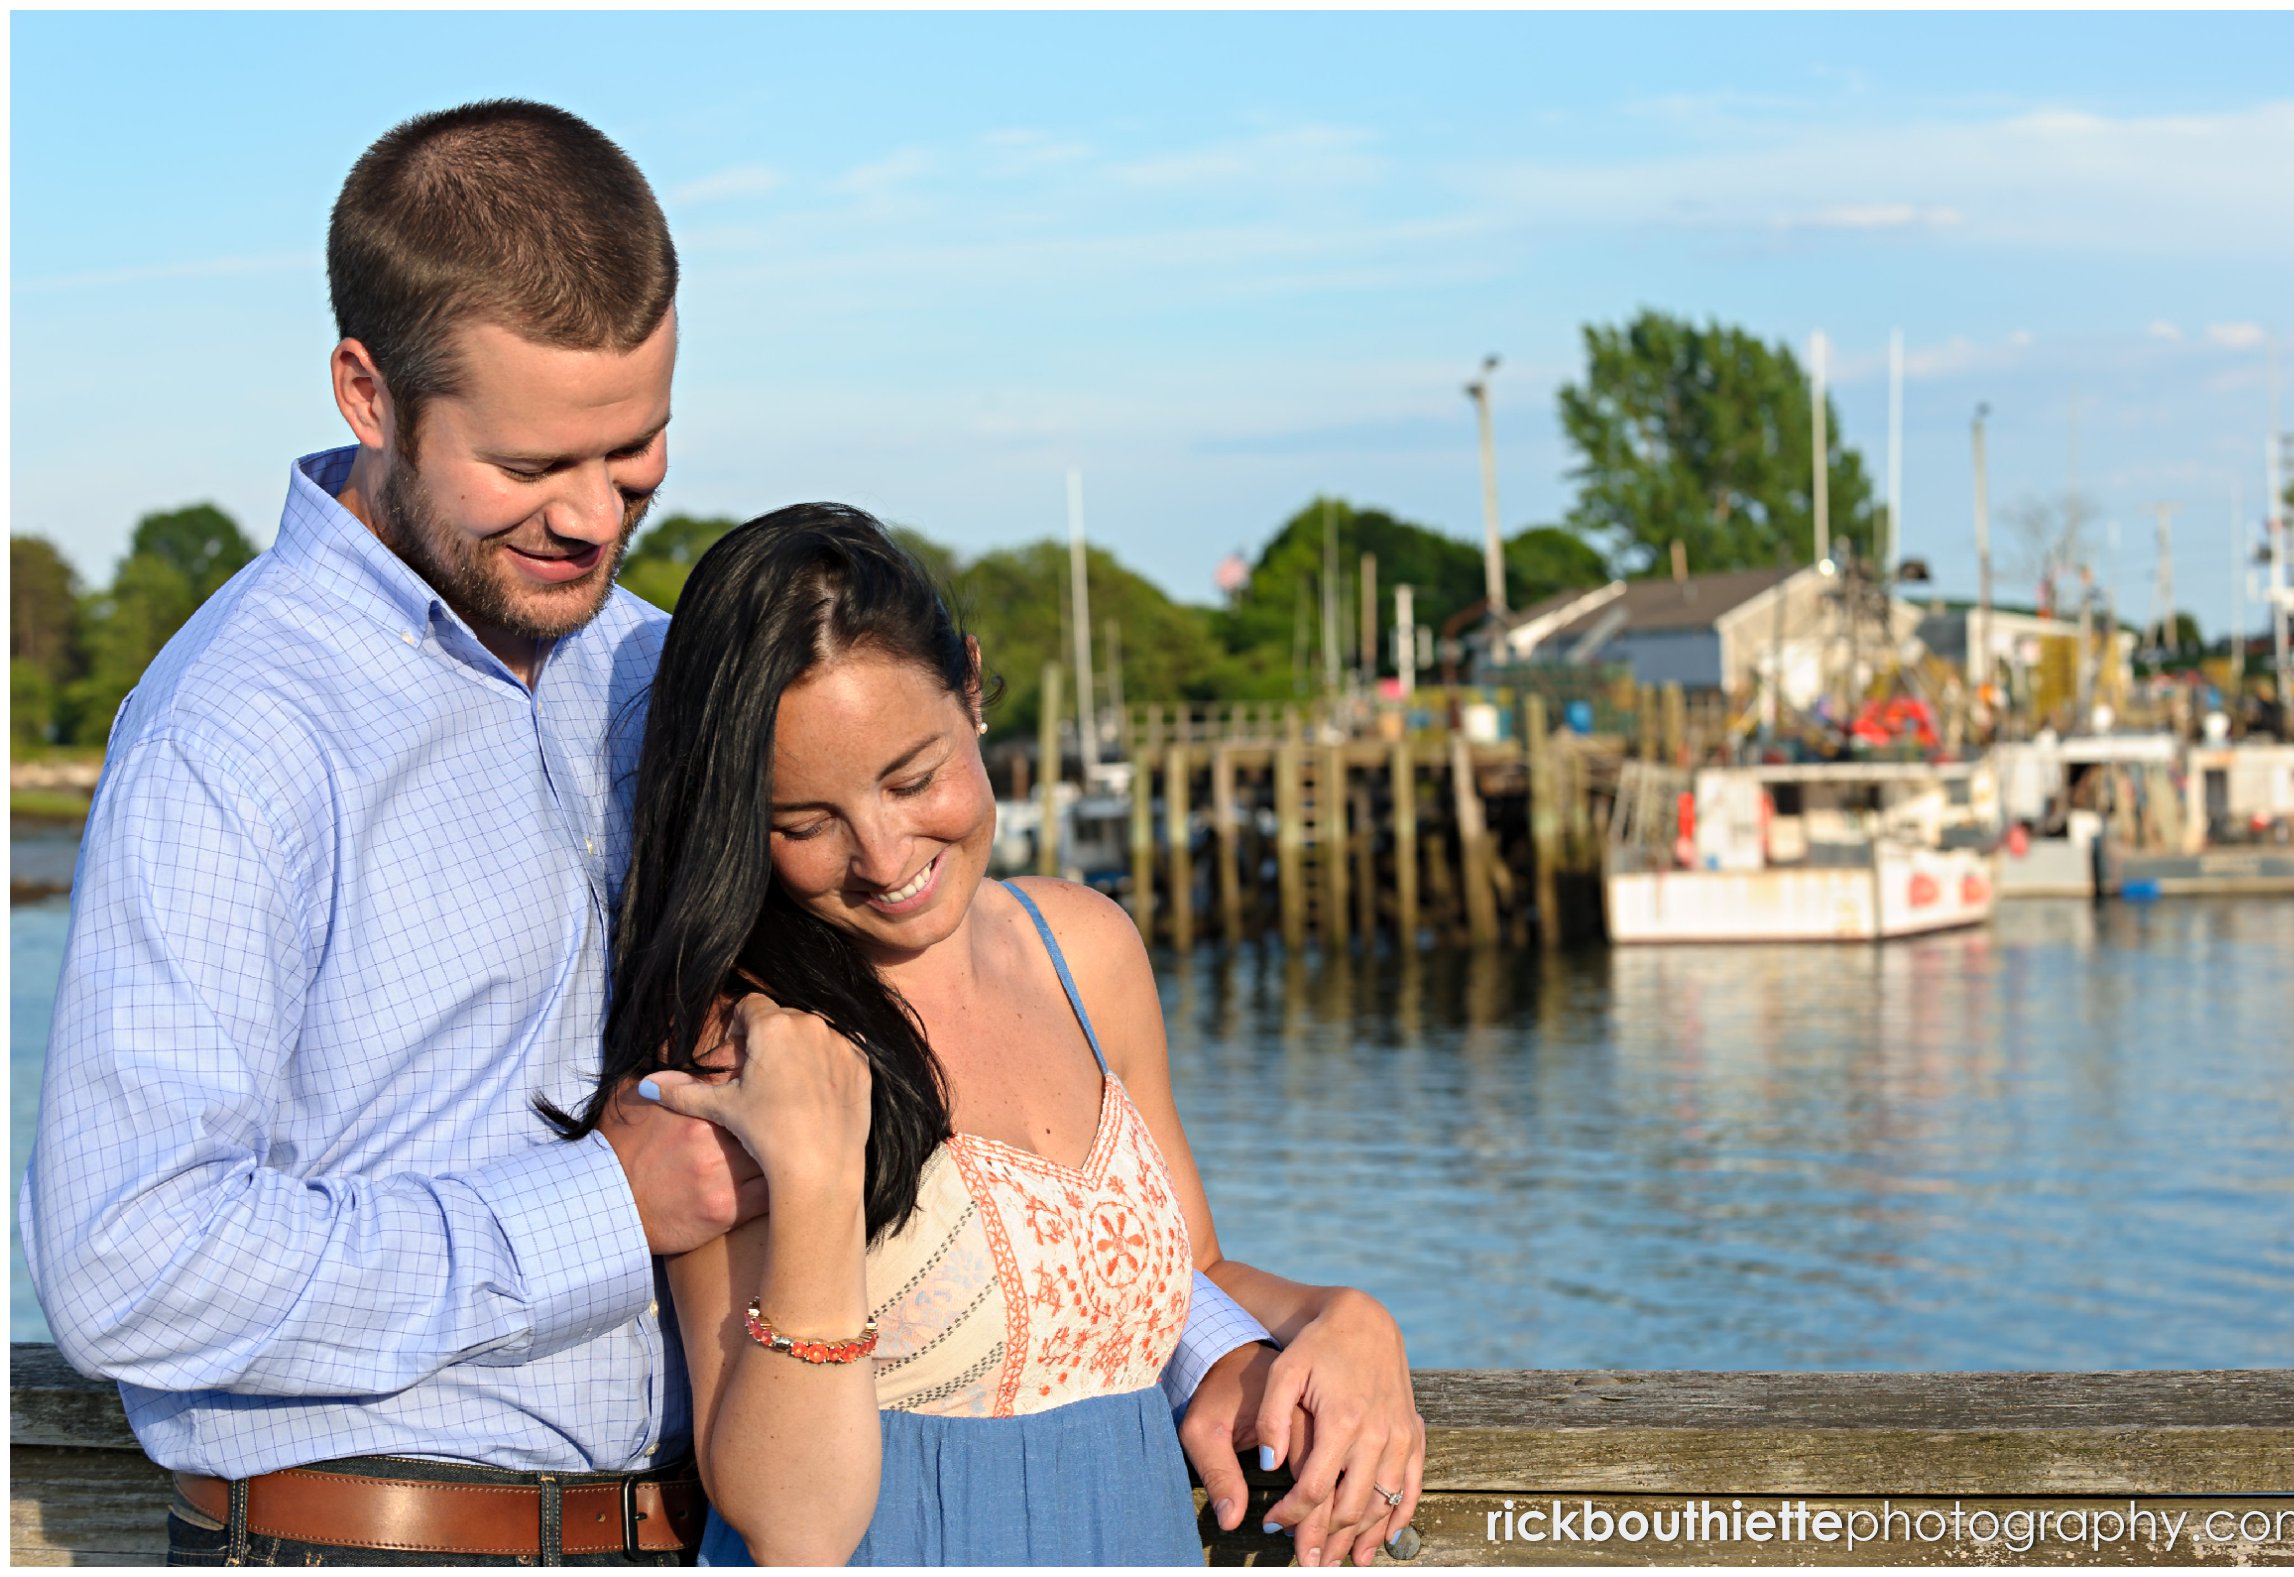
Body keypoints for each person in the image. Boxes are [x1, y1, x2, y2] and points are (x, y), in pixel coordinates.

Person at [20, 98, 1415, 1566]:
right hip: (375, 1542)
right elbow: (127, 1259)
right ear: (368, 393)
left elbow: (956, 1136)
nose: (586, 516)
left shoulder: (663, 673)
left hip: (694, 1533)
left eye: (635, 453)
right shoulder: (235, 731)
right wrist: (604, 1207)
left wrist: (1252, 1336)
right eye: (527, 466)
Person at [552, 505, 1423, 1565]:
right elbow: (792, 1527)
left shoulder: (1086, 947)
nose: (881, 854)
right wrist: (822, 1182)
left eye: (911, 778)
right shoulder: (743, 1042)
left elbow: (1186, 1269)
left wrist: (1346, 1318)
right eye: (803, 821)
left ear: (968, 687)